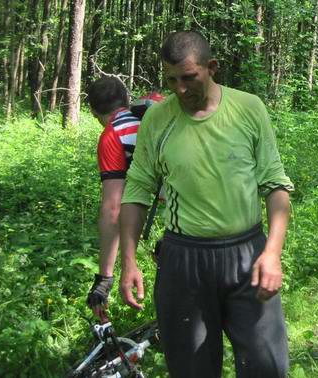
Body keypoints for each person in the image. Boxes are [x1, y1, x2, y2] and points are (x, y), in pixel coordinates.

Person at [117, 31, 294, 378]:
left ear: (212, 68)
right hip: (184, 261)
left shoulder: (248, 108)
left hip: (248, 256)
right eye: (171, 80)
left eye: (188, 78)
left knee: (267, 367)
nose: (180, 89)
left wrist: (272, 253)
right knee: (192, 370)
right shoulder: (157, 120)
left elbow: (275, 185)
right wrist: (128, 260)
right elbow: (136, 190)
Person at [85, 76, 154, 322]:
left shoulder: (113, 136)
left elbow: (113, 208)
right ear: (126, 100)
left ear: (92, 110)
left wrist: (104, 278)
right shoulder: (152, 114)